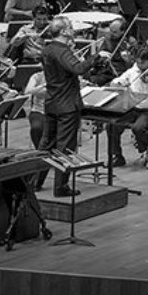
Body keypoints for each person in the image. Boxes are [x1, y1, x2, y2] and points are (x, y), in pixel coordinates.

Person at [39, 16, 95, 194]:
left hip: (52, 102)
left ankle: (35, 182)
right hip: (67, 105)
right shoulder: (62, 50)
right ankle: (61, 187)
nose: (73, 30)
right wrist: (95, 58)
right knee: (65, 148)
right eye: (70, 27)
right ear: (63, 31)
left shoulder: (47, 49)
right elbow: (78, 69)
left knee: (46, 145)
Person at [107, 49, 148, 167]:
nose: (140, 66)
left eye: (142, 63)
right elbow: (118, 81)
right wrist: (118, 83)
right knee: (111, 124)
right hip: (134, 108)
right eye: (138, 62)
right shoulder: (133, 70)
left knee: (138, 128)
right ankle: (117, 156)